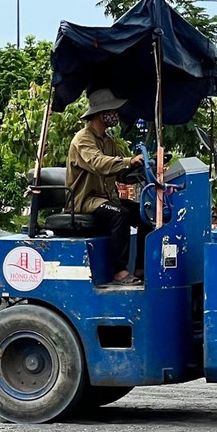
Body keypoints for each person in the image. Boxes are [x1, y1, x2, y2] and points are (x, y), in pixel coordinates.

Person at [66, 88, 152, 286]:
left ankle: (141, 267)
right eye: (112, 110)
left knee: (144, 214)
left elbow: (121, 171)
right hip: (85, 200)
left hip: (105, 199)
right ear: (100, 113)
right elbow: (99, 163)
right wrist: (129, 161)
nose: (116, 114)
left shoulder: (108, 141)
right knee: (120, 214)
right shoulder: (83, 139)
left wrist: (140, 167)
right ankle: (119, 272)